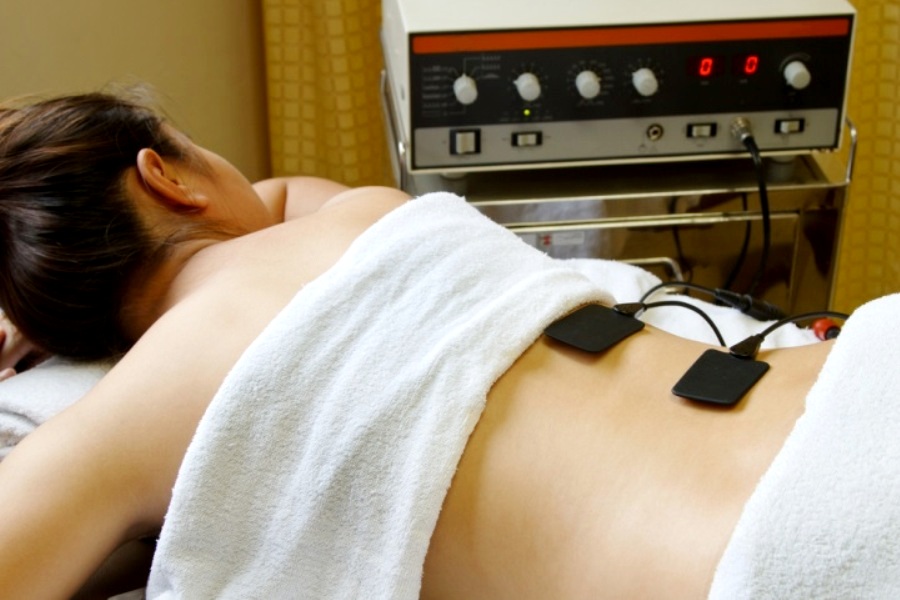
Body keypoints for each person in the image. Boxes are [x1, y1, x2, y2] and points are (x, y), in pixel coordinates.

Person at [0, 91, 851, 598]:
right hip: (845, 405)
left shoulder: (124, 421)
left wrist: (39, 297)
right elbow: (275, 199)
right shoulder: (368, 217)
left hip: (765, 551)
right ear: (164, 176)